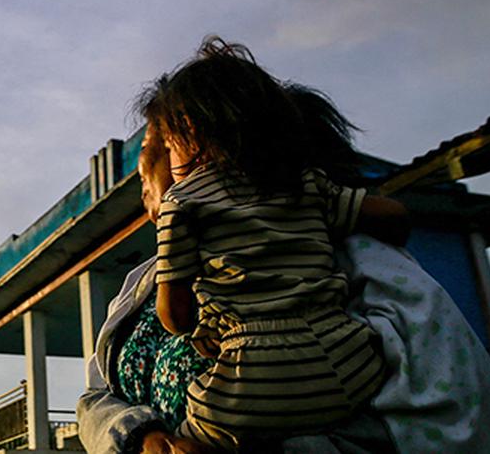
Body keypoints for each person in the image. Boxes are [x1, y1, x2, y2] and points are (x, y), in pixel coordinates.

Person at [76, 47, 490, 453]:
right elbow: (95, 398)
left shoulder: (354, 260)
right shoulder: (143, 281)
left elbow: (448, 418)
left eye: (159, 149)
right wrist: (143, 439)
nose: (145, 176)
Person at [134, 38, 406, 450]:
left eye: (167, 145)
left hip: (251, 377)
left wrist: (200, 325)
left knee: (187, 440)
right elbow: (395, 216)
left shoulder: (183, 203)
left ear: (189, 133)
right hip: (348, 365)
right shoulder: (307, 184)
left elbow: (173, 314)